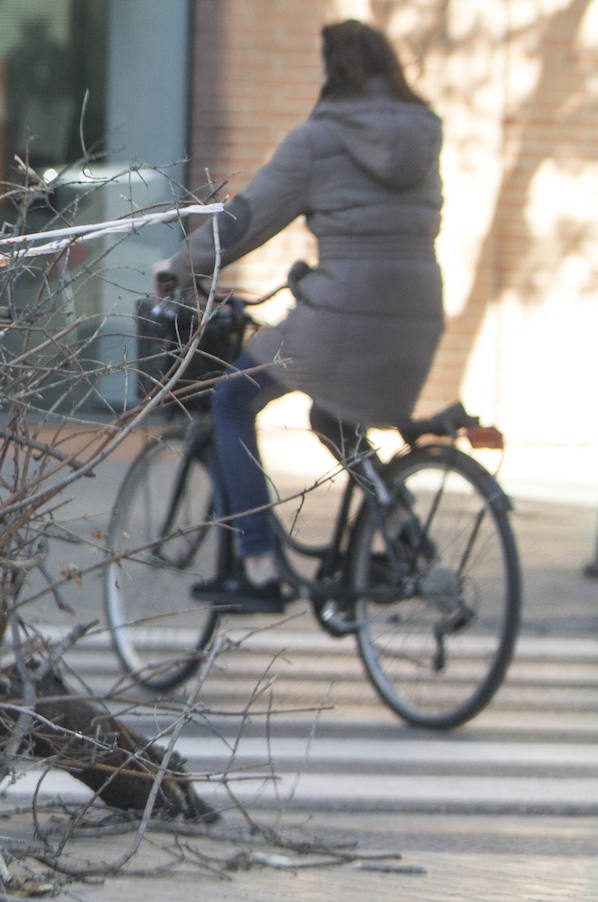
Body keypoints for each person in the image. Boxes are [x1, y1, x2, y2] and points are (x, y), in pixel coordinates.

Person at [152, 20, 445, 612]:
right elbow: (391, 233)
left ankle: (257, 569)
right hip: (420, 311)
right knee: (334, 418)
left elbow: (247, 219)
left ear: (331, 71)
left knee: (233, 397)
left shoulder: (319, 139)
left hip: (343, 314)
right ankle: (403, 533)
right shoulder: (423, 132)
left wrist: (180, 265)